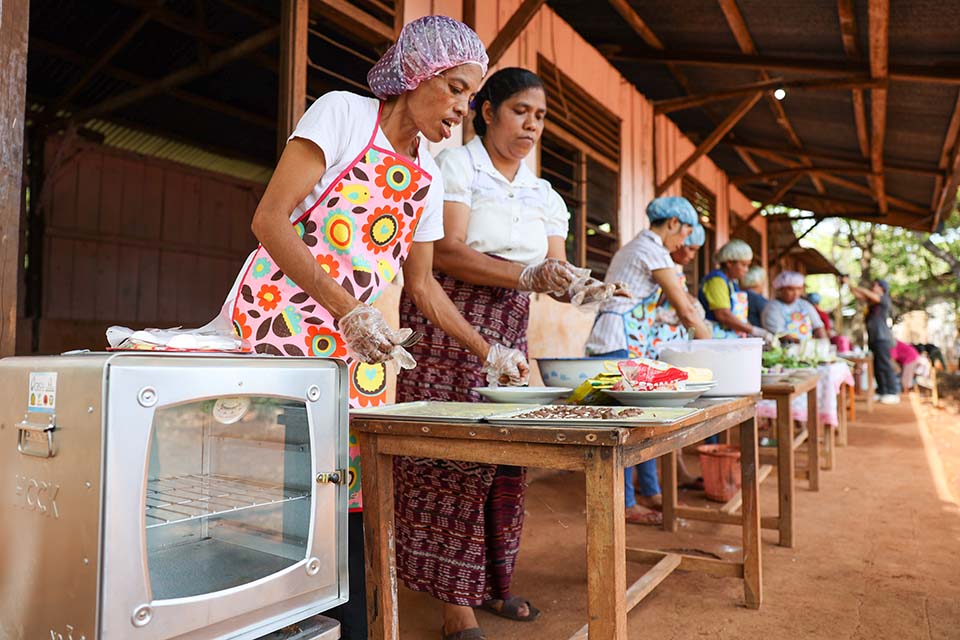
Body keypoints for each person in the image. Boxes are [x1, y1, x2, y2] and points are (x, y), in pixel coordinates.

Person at [217, 17, 530, 639]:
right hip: (280, 321)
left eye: (472, 96)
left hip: (354, 344)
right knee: (295, 481)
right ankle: (275, 616)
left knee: (351, 491)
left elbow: (422, 287)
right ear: (417, 75)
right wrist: (347, 307)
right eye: (458, 90)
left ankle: (348, 624)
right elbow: (270, 221)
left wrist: (486, 346)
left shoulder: (430, 177)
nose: (463, 110)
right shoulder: (342, 115)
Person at [393, 67, 617, 639]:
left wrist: (581, 288)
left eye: (540, 117)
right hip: (448, 318)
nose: (531, 126)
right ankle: (453, 603)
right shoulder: (455, 168)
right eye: (520, 111)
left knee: (507, 453)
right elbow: (446, 253)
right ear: (486, 110)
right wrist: (529, 274)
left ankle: (495, 582)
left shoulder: (544, 195)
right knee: (455, 456)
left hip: (510, 323)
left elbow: (553, 270)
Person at [585, 197, 712, 527]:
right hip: (617, 340)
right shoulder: (650, 248)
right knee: (624, 423)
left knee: (641, 420)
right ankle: (625, 502)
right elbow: (684, 308)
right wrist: (712, 347)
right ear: (672, 223)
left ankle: (651, 491)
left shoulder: (645, 248)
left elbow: (671, 308)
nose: (683, 241)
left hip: (629, 339)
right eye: (684, 233)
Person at [698, 240, 773, 341]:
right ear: (729, 263)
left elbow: (739, 315)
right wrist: (753, 330)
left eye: (748, 265)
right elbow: (723, 315)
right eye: (743, 265)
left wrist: (751, 331)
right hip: (715, 337)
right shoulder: (717, 280)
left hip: (731, 338)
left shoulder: (732, 284)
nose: (746, 270)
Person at [845, 277, 900, 405]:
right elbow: (858, 294)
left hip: (883, 338)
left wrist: (860, 287)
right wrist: (848, 284)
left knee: (885, 365)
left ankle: (892, 392)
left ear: (882, 288)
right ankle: (882, 391)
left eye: (875, 285)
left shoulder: (884, 299)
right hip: (874, 338)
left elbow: (866, 293)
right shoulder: (872, 302)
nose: (872, 287)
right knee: (877, 366)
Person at [761, 271, 827, 343]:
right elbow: (780, 335)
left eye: (799, 289)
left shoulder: (805, 304)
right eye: (790, 289)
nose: (796, 293)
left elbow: (818, 326)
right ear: (780, 289)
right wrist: (805, 345)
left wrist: (823, 344)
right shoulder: (772, 308)